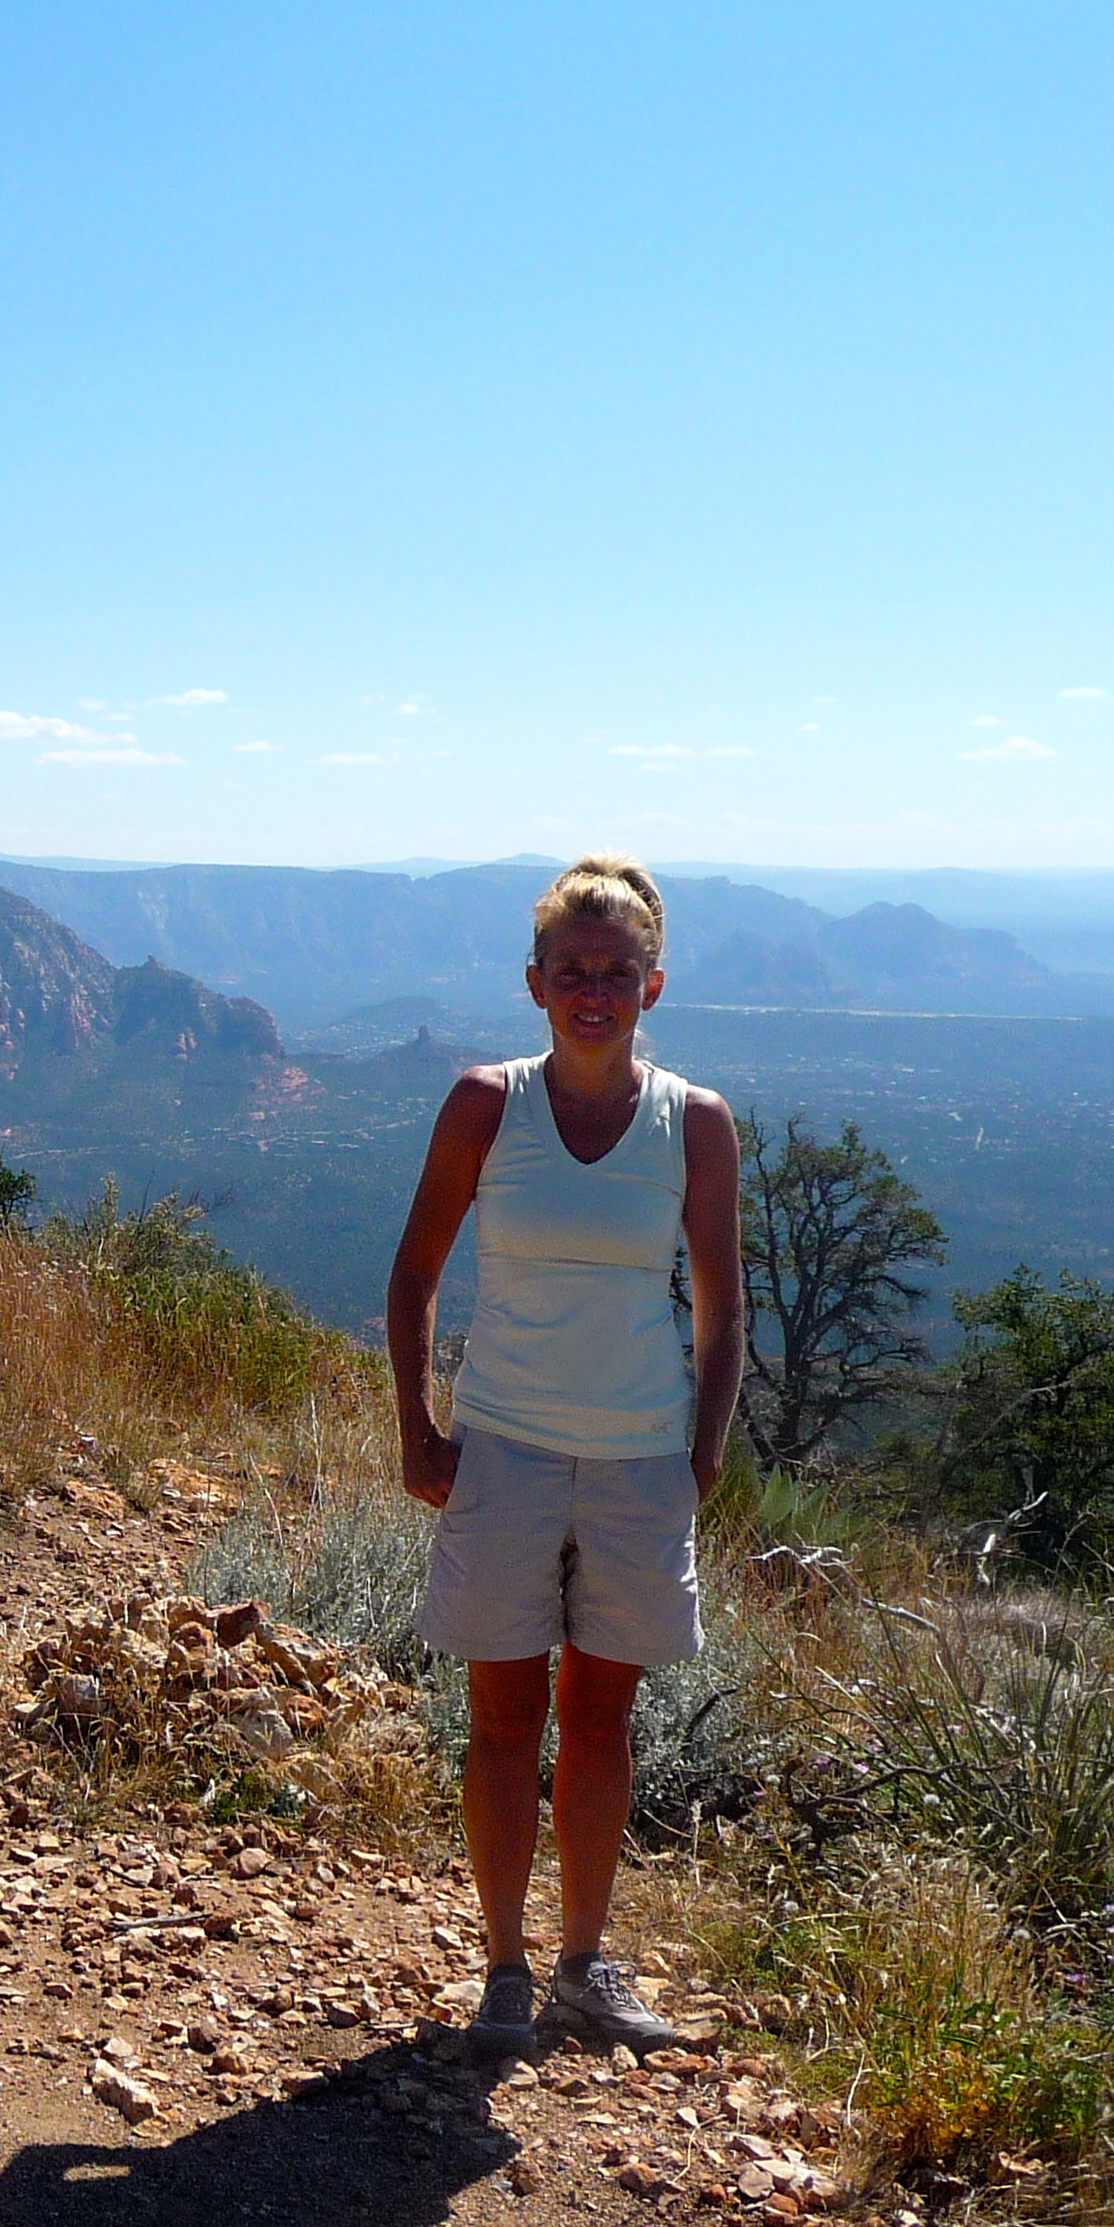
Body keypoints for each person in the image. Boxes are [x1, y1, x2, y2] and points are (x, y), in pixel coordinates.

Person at [383, 855, 742, 2062]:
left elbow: (724, 1307)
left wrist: (699, 1458)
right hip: (507, 1449)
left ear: (654, 985)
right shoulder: (487, 1104)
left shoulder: (695, 1122)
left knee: (599, 1720)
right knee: (501, 1718)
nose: (595, 993)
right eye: (573, 972)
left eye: (617, 974)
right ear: (535, 983)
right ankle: (504, 1970)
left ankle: (584, 1967)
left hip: (639, 1457)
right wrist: (416, 1424)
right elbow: (415, 1272)